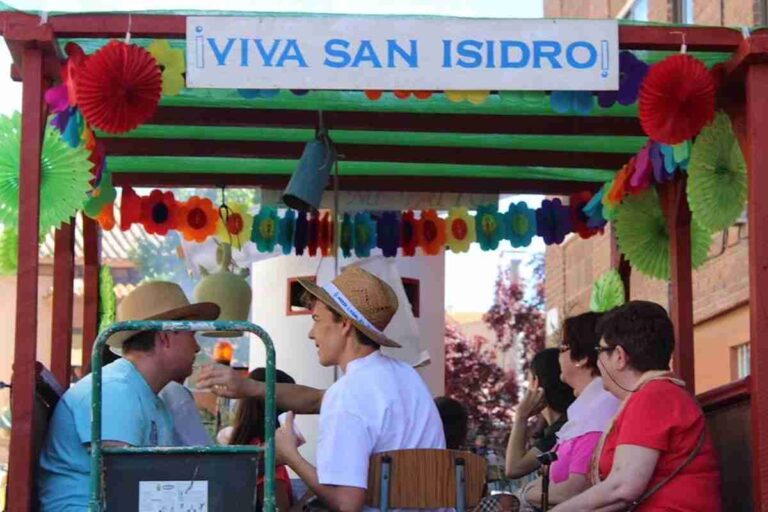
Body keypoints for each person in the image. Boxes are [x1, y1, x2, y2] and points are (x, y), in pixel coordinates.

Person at [199, 267, 446, 512]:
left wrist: (290, 456)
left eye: (317, 319)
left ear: (345, 324)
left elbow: (346, 504)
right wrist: (250, 387)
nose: (311, 333)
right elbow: (318, 400)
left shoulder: (348, 393)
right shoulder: (405, 376)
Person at [38, 281, 220, 511]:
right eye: (191, 334)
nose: (197, 347)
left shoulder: (150, 398)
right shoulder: (115, 390)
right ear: (165, 337)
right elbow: (125, 489)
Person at [552, 301, 722, 511]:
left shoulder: (653, 396)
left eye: (600, 351)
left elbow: (622, 487)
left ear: (619, 356)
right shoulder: (654, 394)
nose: (597, 361)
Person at [515, 313, 620, 510]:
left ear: (581, 358)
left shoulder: (599, 412)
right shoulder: (585, 412)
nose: (559, 356)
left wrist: (523, 495)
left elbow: (575, 489)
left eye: (563, 348)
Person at [229, 368, 297, 512]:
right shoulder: (269, 456)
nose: (297, 409)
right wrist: (314, 494)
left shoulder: (246, 448)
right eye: (293, 399)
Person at [505, 348, 575, 480]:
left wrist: (521, 417)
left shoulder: (562, 429)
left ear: (536, 382)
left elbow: (514, 469)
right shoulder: (560, 424)